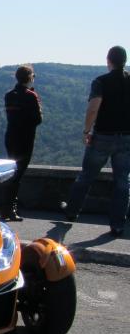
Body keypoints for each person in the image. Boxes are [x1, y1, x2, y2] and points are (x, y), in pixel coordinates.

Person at [62, 46, 130, 236]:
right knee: (122, 182)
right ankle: (117, 224)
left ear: (109, 60)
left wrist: (86, 130)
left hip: (103, 136)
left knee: (86, 176)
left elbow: (93, 108)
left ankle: (72, 212)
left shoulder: (101, 81)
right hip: (126, 137)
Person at [1, 64, 42, 221]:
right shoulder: (31, 96)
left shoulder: (9, 95)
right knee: (17, 174)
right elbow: (38, 120)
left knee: (13, 172)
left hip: (11, 137)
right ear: (30, 78)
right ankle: (10, 209)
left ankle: (8, 207)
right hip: (25, 139)